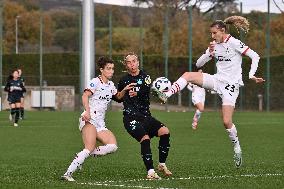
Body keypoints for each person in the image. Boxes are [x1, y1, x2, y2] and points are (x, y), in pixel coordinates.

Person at [154, 16, 265, 168]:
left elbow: (255, 55)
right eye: (211, 33)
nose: (212, 36)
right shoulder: (214, 45)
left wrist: (251, 75)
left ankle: (237, 148)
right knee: (188, 75)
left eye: (214, 33)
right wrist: (209, 53)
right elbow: (198, 63)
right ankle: (166, 94)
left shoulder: (234, 42)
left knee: (226, 121)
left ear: (222, 31)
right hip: (217, 80)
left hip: (231, 86)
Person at [61, 57, 135, 181]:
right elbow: (85, 96)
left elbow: (117, 96)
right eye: (108, 69)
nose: (111, 71)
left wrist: (124, 90)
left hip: (100, 123)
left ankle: (80, 156)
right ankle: (68, 174)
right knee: (89, 147)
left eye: (112, 69)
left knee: (112, 146)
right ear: (101, 70)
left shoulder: (110, 84)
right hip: (89, 119)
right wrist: (87, 112)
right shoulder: (95, 82)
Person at [117, 52, 172, 180]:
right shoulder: (123, 80)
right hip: (130, 118)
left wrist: (159, 95)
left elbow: (147, 89)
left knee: (165, 132)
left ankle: (162, 165)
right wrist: (124, 90)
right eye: (129, 62)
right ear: (126, 65)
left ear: (138, 62)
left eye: (134, 61)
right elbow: (118, 98)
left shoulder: (145, 77)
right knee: (145, 139)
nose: (132, 64)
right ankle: (150, 172)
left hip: (146, 117)